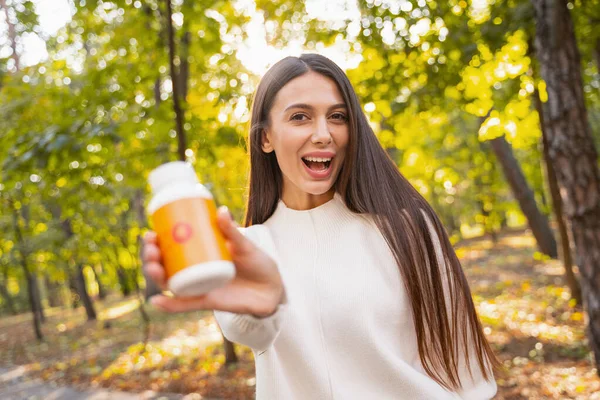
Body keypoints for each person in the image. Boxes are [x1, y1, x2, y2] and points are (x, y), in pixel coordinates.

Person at [143, 53, 500, 399]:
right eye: (300, 117)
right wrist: (260, 308)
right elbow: (250, 328)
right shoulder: (250, 249)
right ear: (265, 137)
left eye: (338, 116)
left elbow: (468, 376)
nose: (323, 134)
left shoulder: (407, 226)